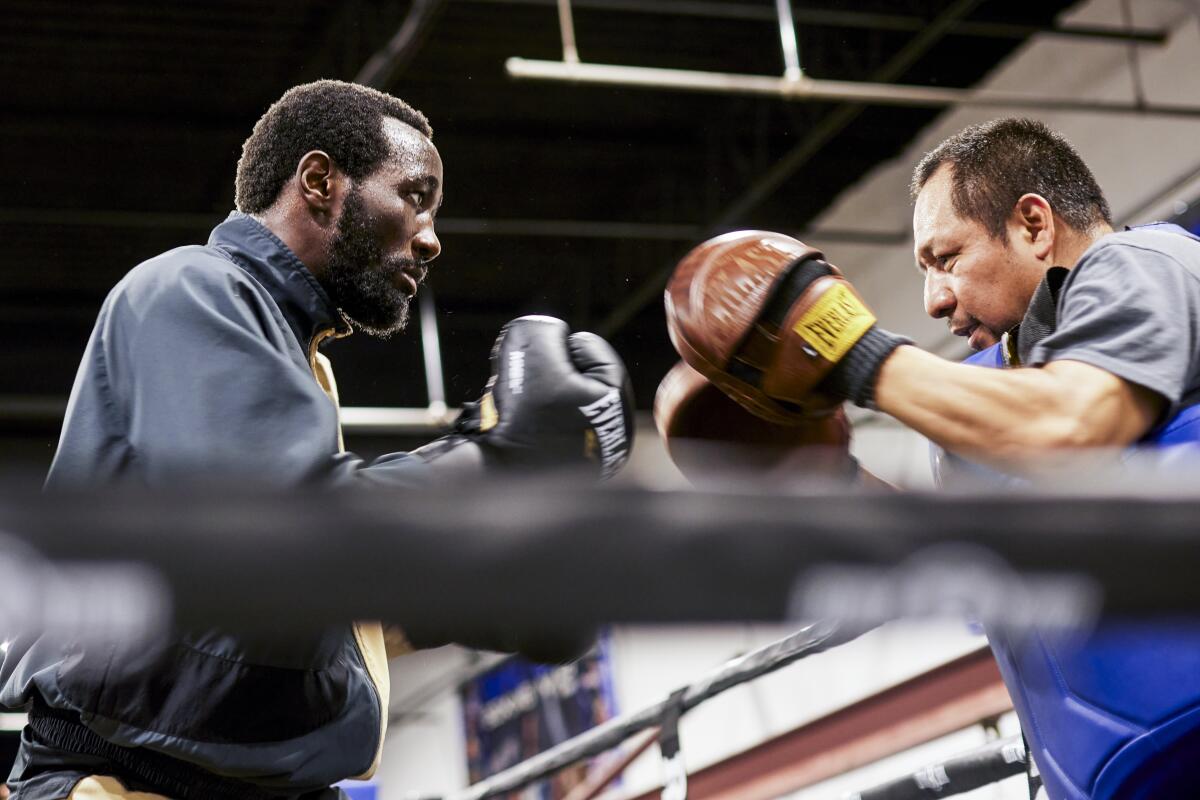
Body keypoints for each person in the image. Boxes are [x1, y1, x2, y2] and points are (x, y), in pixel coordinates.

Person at [0, 80, 632, 800]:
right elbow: (283, 532)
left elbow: (303, 606)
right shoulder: (189, 289)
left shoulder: (297, 358)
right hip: (127, 782)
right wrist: (493, 457)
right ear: (321, 182)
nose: (431, 238)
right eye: (415, 196)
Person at [662, 117, 1200, 799]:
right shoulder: (982, 409)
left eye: (946, 259)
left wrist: (854, 354)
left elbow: (1077, 423)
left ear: (1033, 225)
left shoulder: (1140, 264)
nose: (934, 299)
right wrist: (824, 476)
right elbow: (957, 575)